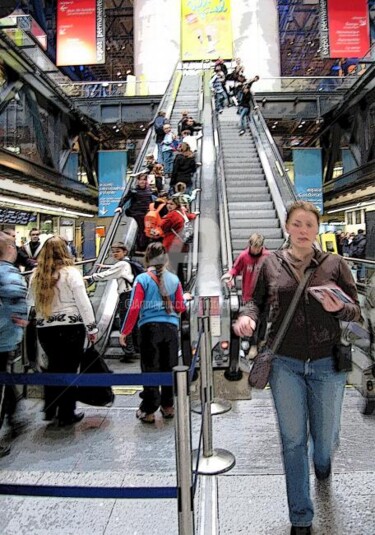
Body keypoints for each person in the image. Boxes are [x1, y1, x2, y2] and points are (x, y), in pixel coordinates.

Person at [233, 201, 361, 535]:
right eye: (297, 224)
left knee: (324, 437)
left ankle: (323, 462)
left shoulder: (334, 264)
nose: (303, 230)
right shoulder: (271, 264)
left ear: (316, 230)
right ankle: (300, 518)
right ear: (287, 226)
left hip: (327, 363)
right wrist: (247, 317)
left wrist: (339, 309)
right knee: (292, 440)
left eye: (310, 225)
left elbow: (355, 312)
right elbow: (254, 301)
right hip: (284, 362)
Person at [29, 236, 97, 426]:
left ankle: (50, 409)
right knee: (69, 369)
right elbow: (83, 303)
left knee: (53, 366)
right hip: (71, 328)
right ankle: (67, 413)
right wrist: (92, 327)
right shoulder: (71, 273)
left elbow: (31, 303)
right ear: (65, 250)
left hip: (45, 329)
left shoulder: (37, 274)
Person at [119, 242, 188, 423]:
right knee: (168, 368)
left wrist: (125, 331)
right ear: (165, 258)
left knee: (150, 369)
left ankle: (148, 411)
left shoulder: (142, 279)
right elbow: (181, 307)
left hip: (149, 330)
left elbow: (134, 308)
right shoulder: (174, 279)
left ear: (147, 258)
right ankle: (168, 406)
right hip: (171, 330)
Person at [83, 242, 138, 361]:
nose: (115, 254)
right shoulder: (126, 263)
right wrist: (106, 266)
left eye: (118, 251)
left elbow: (109, 275)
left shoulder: (122, 264)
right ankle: (134, 348)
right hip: (131, 295)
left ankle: (129, 352)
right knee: (131, 323)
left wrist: (91, 277)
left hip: (126, 296)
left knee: (125, 323)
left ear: (125, 252)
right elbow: (116, 269)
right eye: (113, 252)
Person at [0, 231, 28, 457]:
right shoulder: (8, 272)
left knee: (5, 379)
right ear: (10, 250)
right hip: (3, 338)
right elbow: (15, 293)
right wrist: (20, 317)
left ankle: (13, 414)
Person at [222, 233, 270, 357]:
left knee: (262, 319)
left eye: (259, 248)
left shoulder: (267, 256)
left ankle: (259, 342)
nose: (256, 250)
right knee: (251, 319)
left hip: (265, 294)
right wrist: (230, 275)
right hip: (249, 295)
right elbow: (235, 268)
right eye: (255, 247)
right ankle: (252, 344)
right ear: (250, 245)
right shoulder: (244, 256)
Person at [160, 196, 199, 284]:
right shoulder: (180, 212)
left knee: (173, 268)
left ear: (176, 204)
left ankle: (176, 287)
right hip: (182, 245)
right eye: (168, 204)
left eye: (171, 204)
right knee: (179, 267)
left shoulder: (171, 215)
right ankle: (181, 286)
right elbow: (189, 216)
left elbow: (162, 226)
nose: (169, 206)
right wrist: (194, 214)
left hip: (172, 245)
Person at [116, 172, 154, 253]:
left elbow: (150, 201)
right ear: (138, 181)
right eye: (140, 180)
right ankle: (140, 247)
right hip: (136, 212)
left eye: (144, 180)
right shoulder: (134, 190)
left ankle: (142, 247)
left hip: (146, 213)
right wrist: (119, 207)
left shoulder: (149, 190)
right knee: (142, 229)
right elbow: (125, 198)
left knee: (145, 230)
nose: (142, 182)